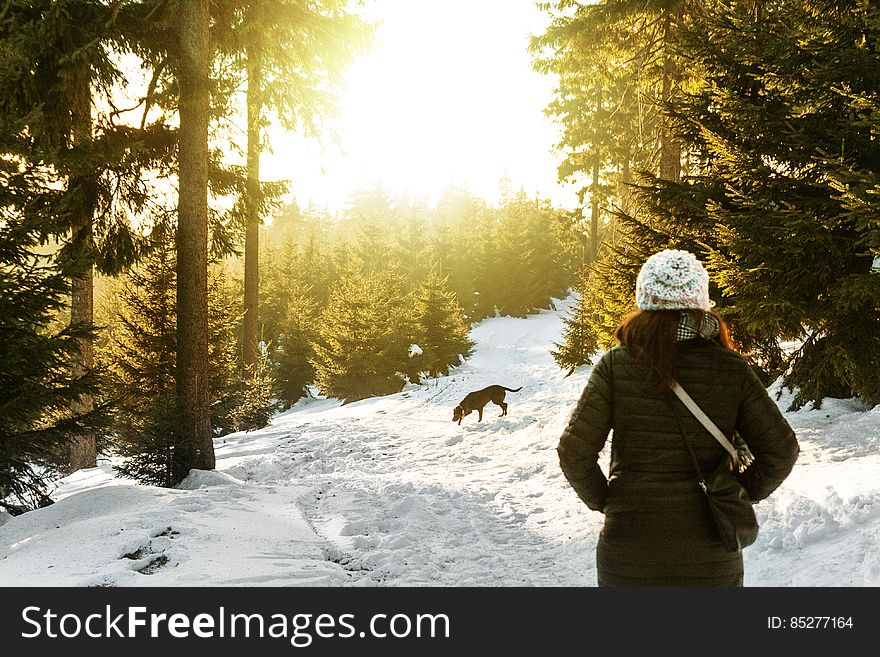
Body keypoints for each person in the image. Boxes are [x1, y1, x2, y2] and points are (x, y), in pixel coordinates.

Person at [557, 249, 799, 586]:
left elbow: (573, 451)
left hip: (629, 550)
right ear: (701, 302)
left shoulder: (615, 365)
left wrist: (609, 502)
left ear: (645, 300)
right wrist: (735, 493)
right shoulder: (731, 369)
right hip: (710, 552)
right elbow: (781, 451)